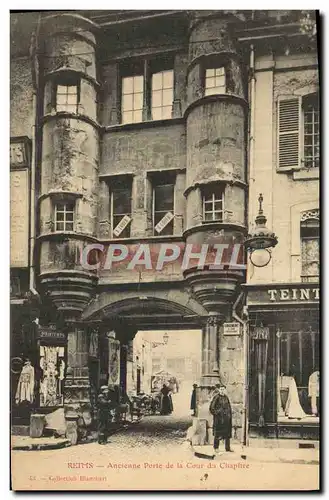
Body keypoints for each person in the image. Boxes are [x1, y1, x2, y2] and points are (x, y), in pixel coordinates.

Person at [209, 383, 233, 453]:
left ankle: (227, 448)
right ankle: (216, 448)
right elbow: (211, 408)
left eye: (223, 389)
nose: (222, 390)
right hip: (219, 420)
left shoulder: (226, 397)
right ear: (219, 390)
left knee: (227, 434)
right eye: (221, 389)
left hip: (226, 419)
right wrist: (217, 413)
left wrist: (229, 416)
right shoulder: (216, 397)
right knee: (217, 434)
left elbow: (229, 407)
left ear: (225, 390)